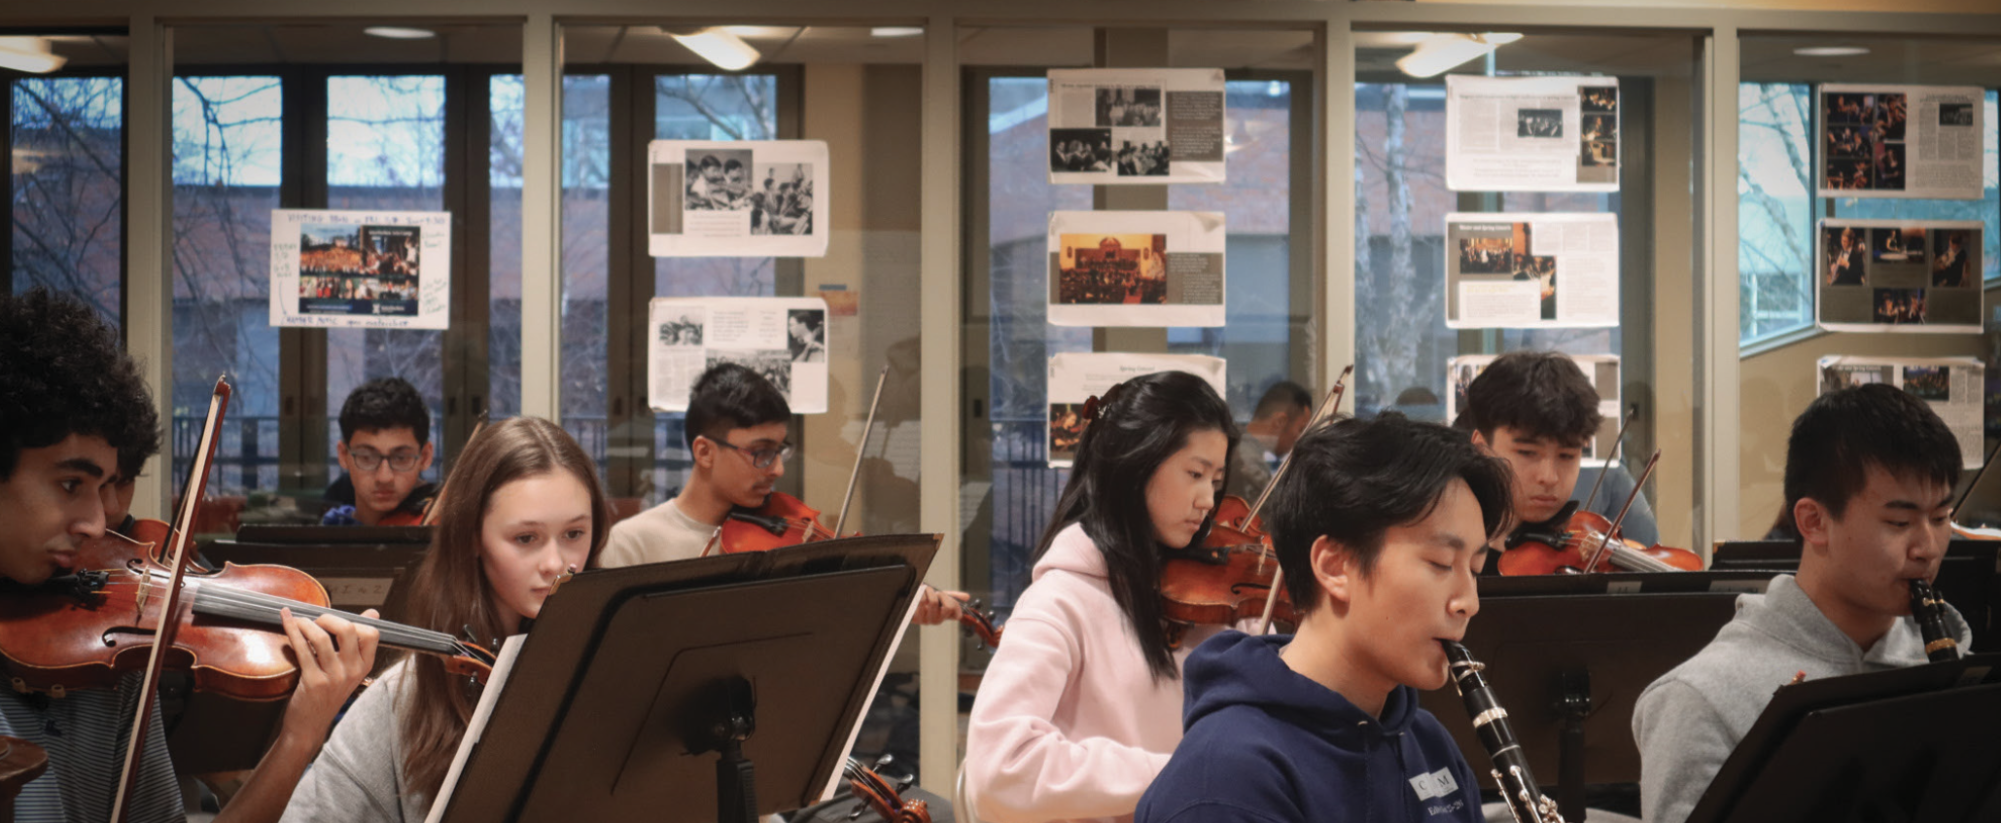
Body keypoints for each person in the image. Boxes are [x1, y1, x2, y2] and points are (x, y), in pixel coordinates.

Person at [0, 288, 379, 823]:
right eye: (69, 484)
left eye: (109, 485)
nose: (97, 521)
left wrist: (298, 736)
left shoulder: (111, 661)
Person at [1136, 413, 1508, 823]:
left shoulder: (1429, 743)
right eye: (1440, 563)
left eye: (1473, 569)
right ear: (1334, 567)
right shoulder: (1225, 781)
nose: (1468, 602)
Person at [1633, 384, 1972, 823]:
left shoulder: (1955, 667)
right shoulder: (1700, 700)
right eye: (1900, 522)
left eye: (1942, 518)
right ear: (1814, 522)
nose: (1928, 547)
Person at [280, 416, 607, 823]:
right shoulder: (399, 700)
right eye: (526, 539)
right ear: (472, 536)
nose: (557, 564)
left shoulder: (611, 670)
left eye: (574, 534)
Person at [962, 370, 1244, 823]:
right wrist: (1178, 772)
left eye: (1215, 480)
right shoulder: (1058, 603)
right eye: (1194, 474)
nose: (1208, 500)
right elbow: (1000, 771)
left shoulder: (1219, 596)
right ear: (1135, 465)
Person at [595, 363, 966, 624]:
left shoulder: (787, 535)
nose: (777, 468)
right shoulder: (632, 545)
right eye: (761, 452)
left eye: (779, 449)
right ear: (704, 452)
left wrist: (897, 601)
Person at [1455, 351, 1662, 563]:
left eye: (1567, 455)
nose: (1549, 477)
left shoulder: (1582, 557)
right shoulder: (1451, 550)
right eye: (1527, 453)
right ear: (1482, 449)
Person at [323, 377, 436, 526]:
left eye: (401, 458)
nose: (384, 478)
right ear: (343, 455)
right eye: (367, 458)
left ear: (425, 457)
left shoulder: (438, 521)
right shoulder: (331, 530)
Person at [1225, 380, 1311, 502]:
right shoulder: (1246, 459)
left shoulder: (1243, 445)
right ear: (1280, 422)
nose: (1301, 439)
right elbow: (1275, 510)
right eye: (1301, 429)